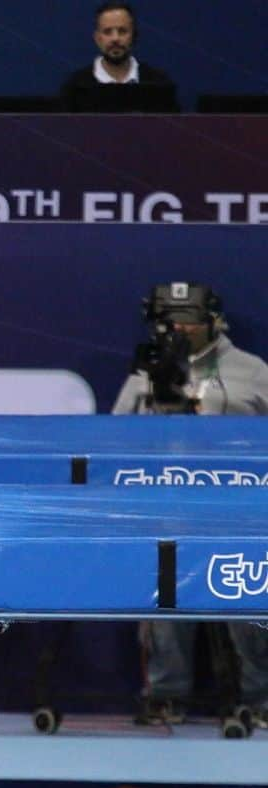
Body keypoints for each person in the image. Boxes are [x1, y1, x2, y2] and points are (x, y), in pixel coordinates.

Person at [113, 282, 268, 724]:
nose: (180, 326)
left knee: (245, 603)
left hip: (239, 511)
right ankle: (166, 696)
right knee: (167, 601)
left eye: (189, 318)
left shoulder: (252, 370)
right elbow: (117, 435)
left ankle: (259, 699)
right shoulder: (147, 371)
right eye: (171, 318)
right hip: (167, 507)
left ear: (212, 321)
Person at [60, 2, 177, 111]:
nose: (115, 38)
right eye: (107, 32)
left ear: (134, 36)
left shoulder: (159, 84)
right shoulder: (75, 87)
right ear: (97, 38)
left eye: (122, 31)